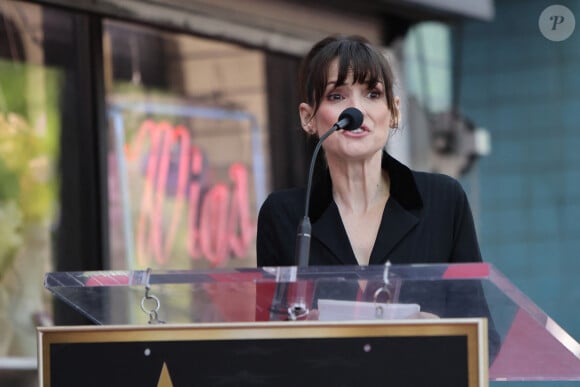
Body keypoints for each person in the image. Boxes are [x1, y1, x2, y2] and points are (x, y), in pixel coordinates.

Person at [256, 34, 483, 267]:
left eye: (373, 94)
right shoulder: (283, 215)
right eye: (336, 96)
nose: (356, 110)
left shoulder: (443, 200)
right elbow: (271, 304)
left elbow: (471, 302)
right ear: (307, 118)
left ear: (394, 112)